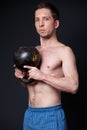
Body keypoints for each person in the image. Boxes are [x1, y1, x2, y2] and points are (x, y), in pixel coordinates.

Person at [14, 2, 79, 130]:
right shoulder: (33, 52)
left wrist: (42, 76)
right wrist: (21, 77)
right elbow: (30, 85)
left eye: (46, 19)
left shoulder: (64, 51)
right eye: (37, 19)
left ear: (56, 24)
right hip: (29, 114)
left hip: (51, 115)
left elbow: (73, 86)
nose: (41, 24)